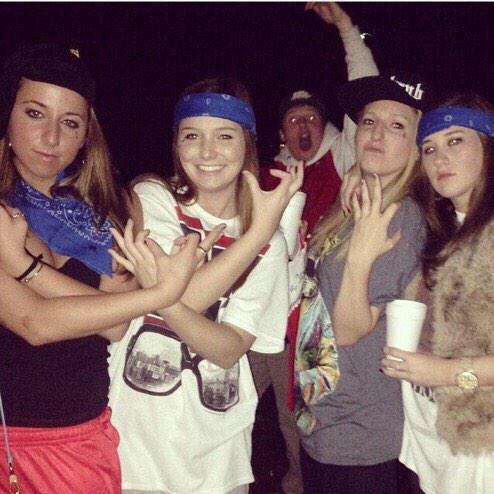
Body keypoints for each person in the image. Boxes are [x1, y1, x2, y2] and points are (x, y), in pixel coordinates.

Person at [0, 44, 214, 493]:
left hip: (85, 436)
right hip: (15, 443)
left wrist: (24, 267)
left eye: (70, 123)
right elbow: (35, 322)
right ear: (7, 117)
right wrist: (158, 295)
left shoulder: (102, 211)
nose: (52, 138)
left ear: (86, 135)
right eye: (35, 114)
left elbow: (114, 325)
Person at [108, 77, 303, 494]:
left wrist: (160, 298)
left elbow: (229, 348)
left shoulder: (271, 242)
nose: (207, 152)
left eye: (225, 136)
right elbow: (188, 297)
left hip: (219, 457)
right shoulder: (153, 197)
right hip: (134, 449)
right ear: (176, 144)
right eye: (192, 135)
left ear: (247, 144)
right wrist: (256, 236)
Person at [251, 4, 379, 492]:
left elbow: (368, 96)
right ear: (282, 132)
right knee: (230, 401)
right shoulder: (265, 175)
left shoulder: (344, 158)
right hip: (261, 316)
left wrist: (346, 29)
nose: (303, 126)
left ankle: (298, 482)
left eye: (311, 118)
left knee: (297, 419)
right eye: (293, 119)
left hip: (313, 323)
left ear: (325, 126)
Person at [295, 72, 431, 494]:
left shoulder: (400, 217)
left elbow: (351, 330)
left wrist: (358, 258)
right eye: (370, 121)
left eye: (397, 126)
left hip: (360, 432)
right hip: (322, 417)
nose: (377, 133)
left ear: (415, 145)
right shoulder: (354, 202)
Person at [382, 94, 494, 494]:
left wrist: (445, 373)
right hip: (431, 433)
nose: (439, 158)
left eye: (455, 141)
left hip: (480, 444)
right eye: (429, 148)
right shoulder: (441, 229)